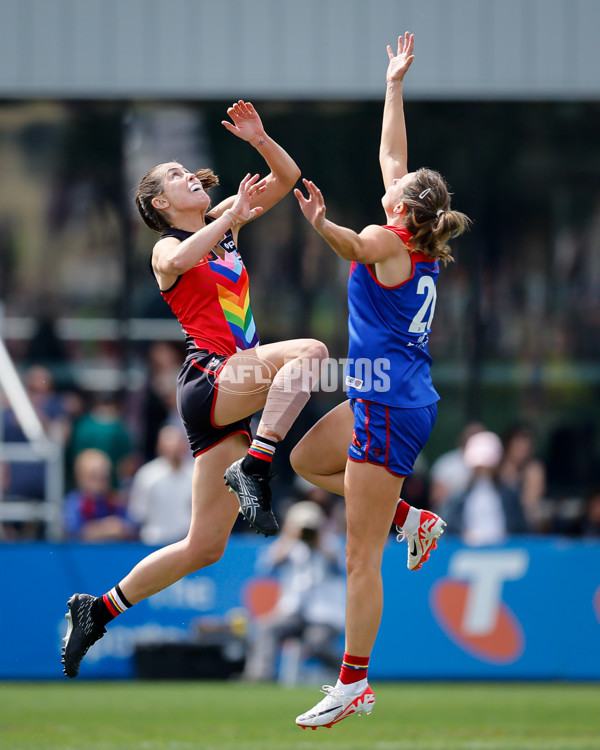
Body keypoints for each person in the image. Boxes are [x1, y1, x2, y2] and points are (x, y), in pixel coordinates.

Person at [61, 100, 328, 679]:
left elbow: (286, 177)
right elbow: (182, 255)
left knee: (205, 546)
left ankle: (96, 609)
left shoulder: (225, 227)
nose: (189, 176)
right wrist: (230, 217)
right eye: (176, 176)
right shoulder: (167, 247)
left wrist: (259, 139)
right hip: (210, 378)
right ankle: (258, 465)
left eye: (187, 169)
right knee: (311, 354)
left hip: (226, 394)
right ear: (161, 204)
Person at [290, 33, 471, 728]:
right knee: (307, 460)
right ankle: (412, 518)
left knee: (359, 556)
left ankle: (353, 683)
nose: (388, 181)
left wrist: (322, 223)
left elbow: (359, 244)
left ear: (403, 211)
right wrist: (393, 85)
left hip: (388, 404)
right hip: (384, 391)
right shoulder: (417, 238)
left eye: (395, 191)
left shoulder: (388, 238)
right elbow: (392, 155)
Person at [243, 501, 345, 683]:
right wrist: (288, 538)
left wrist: (319, 542)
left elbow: (340, 568)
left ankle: (350, 677)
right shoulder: (288, 545)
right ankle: (259, 677)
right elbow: (267, 566)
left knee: (317, 642)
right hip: (293, 612)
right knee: (267, 629)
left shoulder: (330, 543)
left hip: (324, 615)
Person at [440, 430, 530, 545]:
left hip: (505, 555)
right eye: (479, 467)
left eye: (487, 467)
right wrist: (462, 533)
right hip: (467, 556)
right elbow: (445, 528)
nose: (483, 471)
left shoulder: (510, 496)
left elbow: (522, 530)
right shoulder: (458, 498)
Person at [127, 424, 194, 546]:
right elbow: (138, 512)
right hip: (153, 542)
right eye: (168, 444)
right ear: (159, 446)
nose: (174, 449)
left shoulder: (196, 473)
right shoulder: (147, 475)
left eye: (177, 443)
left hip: (187, 543)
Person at [63, 449, 135, 542]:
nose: (100, 478)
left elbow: (131, 528)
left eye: (104, 475)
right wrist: (106, 528)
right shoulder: (72, 503)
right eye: (94, 475)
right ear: (80, 476)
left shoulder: (118, 502)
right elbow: (74, 531)